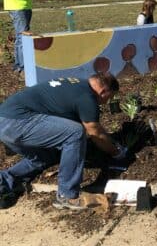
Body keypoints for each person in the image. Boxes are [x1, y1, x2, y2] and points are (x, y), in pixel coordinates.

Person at [0, 73, 125, 210]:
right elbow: (93, 131)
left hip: (5, 120)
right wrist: (116, 152)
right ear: (103, 91)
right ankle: (67, 195)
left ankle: (4, 182)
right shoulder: (87, 97)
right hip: (18, 122)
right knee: (75, 133)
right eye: (110, 97)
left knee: (44, 156)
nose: (107, 102)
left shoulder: (76, 84)